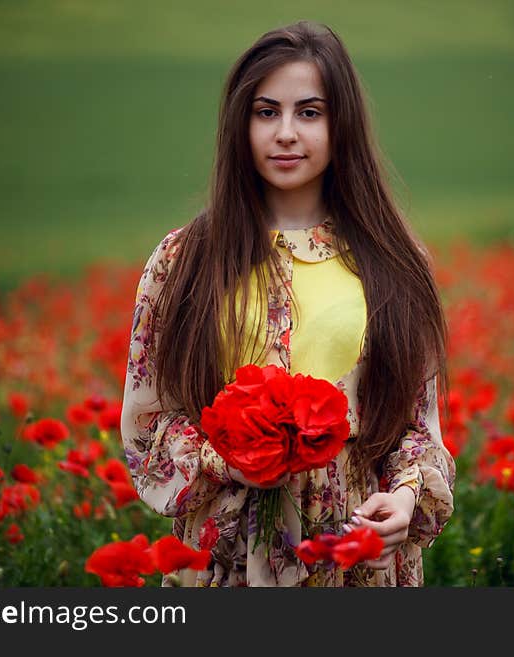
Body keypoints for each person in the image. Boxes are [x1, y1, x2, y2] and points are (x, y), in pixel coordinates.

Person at [120, 20, 455, 587]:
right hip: (230, 546)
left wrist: (403, 499)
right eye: (266, 111)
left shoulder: (395, 260)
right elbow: (149, 423)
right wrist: (237, 458)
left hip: (354, 548)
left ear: (341, 123)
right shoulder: (184, 261)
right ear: (239, 124)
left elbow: (415, 425)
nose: (286, 134)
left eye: (309, 112)